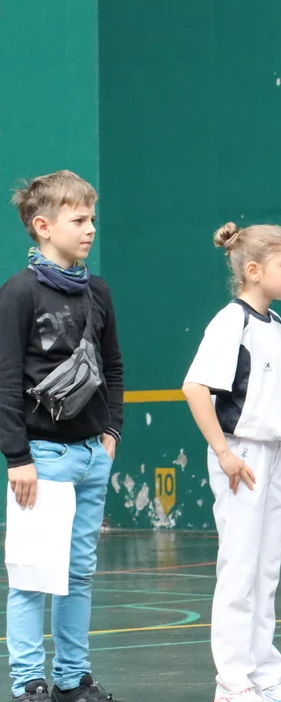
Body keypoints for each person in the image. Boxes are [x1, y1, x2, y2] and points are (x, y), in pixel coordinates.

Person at [182, 222, 281, 702]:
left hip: (275, 454)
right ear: (255, 270)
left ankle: (264, 677)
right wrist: (224, 454)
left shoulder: (274, 323)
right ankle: (232, 683)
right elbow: (195, 388)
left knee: (265, 571)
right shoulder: (231, 321)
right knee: (239, 570)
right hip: (241, 454)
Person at [0, 171, 123, 702]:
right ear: (43, 226)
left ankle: (73, 679)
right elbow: (5, 378)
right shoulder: (19, 293)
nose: (90, 228)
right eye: (79, 220)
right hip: (42, 458)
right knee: (33, 575)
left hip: (93, 455)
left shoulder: (98, 291)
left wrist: (111, 431)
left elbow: (113, 367)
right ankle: (29, 682)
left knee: (79, 576)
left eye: (92, 218)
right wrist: (17, 456)